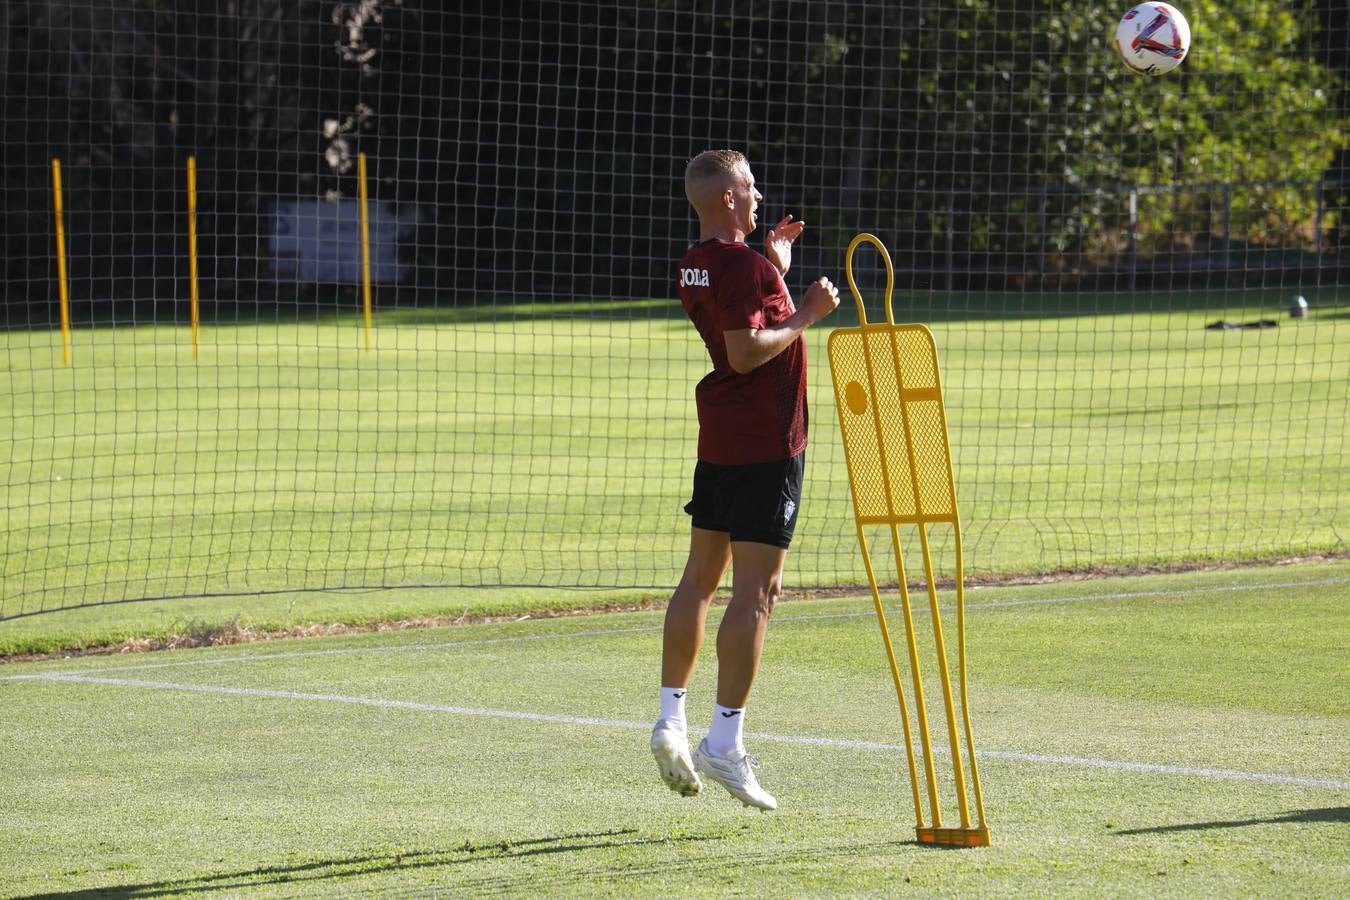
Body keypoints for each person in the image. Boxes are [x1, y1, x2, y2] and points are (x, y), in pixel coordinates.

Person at [651, 149, 840, 810]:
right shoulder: (746, 267)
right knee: (757, 594)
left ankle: (671, 718)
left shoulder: (696, 261)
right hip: (767, 439)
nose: (759, 195)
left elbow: (742, 300)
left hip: (723, 438)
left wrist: (776, 273)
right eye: (750, 187)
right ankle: (723, 742)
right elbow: (744, 349)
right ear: (728, 197)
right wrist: (806, 312)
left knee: (699, 579)